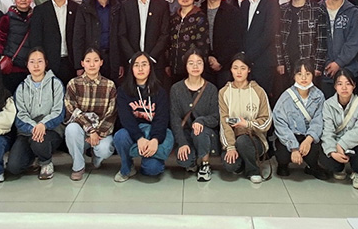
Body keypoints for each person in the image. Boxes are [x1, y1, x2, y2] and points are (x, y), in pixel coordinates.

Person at [114, 51, 174, 181]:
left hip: (153, 131)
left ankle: (148, 159)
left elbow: (162, 119)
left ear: (150, 68)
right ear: (131, 69)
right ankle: (127, 167)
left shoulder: (160, 91)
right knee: (120, 136)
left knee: (153, 169)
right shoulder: (123, 91)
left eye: (144, 64)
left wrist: (155, 140)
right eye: (136, 65)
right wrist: (139, 138)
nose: (140, 69)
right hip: (135, 132)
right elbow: (126, 119)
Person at [7, 47, 65, 180]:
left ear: (46, 63)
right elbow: (20, 115)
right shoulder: (21, 88)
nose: (36, 65)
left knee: (38, 142)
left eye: (40, 61)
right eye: (32, 62)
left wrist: (43, 125)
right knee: (14, 167)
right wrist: (34, 127)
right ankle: (33, 157)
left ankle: (46, 162)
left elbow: (59, 111)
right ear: (27, 65)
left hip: (50, 130)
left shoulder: (55, 84)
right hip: (27, 132)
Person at [64, 48, 117, 180]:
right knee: (71, 129)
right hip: (81, 129)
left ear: (101, 62)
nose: (92, 64)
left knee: (105, 149)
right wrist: (90, 130)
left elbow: (111, 114)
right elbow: (72, 111)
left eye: (95, 60)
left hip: (101, 132)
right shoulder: (74, 84)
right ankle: (78, 166)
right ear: (82, 63)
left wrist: (97, 133)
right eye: (88, 61)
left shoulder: (110, 85)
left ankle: (96, 159)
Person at [218, 53, 272, 183]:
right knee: (230, 165)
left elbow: (267, 121)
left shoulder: (259, 91)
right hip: (233, 139)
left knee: (243, 141)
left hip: (255, 139)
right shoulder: (224, 92)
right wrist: (230, 147)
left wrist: (247, 124)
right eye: (235, 68)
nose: (239, 72)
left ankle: (253, 171)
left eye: (243, 68)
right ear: (231, 70)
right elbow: (224, 123)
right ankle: (243, 161)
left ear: (249, 70)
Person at [169, 48, 219, 181]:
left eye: (199, 63)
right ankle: (192, 159)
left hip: (205, 133)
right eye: (191, 63)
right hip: (186, 133)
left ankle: (205, 164)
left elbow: (215, 117)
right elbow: (175, 119)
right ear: (185, 65)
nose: (195, 66)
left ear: (204, 64)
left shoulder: (211, 89)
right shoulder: (176, 89)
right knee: (184, 161)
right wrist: (182, 143)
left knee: (200, 131)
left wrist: (201, 121)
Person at [272, 59, 327, 179]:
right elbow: (280, 123)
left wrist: (308, 140)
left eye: (307, 74)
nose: (303, 78)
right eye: (299, 74)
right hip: (290, 135)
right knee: (282, 153)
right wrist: (294, 147)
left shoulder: (319, 96)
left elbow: (319, 121)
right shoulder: (286, 97)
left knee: (315, 151)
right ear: (294, 76)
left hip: (308, 136)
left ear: (313, 75)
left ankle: (312, 167)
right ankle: (283, 165)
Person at [276, 0, 327, 93]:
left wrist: (318, 66)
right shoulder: (282, 10)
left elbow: (322, 40)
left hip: (309, 65)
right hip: (288, 64)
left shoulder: (317, 10)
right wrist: (280, 62)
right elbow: (277, 38)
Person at [117, 0, 170, 82]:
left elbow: (165, 34)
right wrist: (133, 58)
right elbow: (122, 34)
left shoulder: (162, 5)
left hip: (156, 62)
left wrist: (151, 58)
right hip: (132, 62)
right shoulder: (125, 6)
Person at [321, 69, 358, 190]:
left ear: (354, 85)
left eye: (348, 84)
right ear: (335, 86)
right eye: (340, 84)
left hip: (354, 142)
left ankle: (357, 173)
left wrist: (342, 144)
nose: (344, 88)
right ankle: (339, 168)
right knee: (325, 156)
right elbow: (327, 131)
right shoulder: (328, 104)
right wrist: (333, 152)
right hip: (336, 142)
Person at [29, 0, 79, 84]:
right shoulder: (40, 10)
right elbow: (36, 39)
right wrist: (40, 62)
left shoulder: (76, 8)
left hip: (71, 62)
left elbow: (80, 37)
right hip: (49, 63)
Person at [73, 0, 121, 81]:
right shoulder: (85, 8)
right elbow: (78, 38)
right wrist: (79, 65)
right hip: (92, 58)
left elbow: (121, 36)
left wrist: (121, 62)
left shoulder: (118, 6)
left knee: (112, 87)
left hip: (112, 57)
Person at [240, 0, 279, 99]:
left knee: (261, 99)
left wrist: (249, 56)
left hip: (263, 62)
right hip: (244, 62)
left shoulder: (272, 4)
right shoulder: (244, 4)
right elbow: (241, 32)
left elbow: (269, 34)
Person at [321, 0, 358, 95]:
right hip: (324, 71)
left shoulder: (353, 12)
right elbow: (315, 40)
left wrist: (338, 63)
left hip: (348, 71)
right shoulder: (317, 10)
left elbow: (354, 42)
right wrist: (327, 63)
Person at [203, 0, 243, 88]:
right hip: (203, 65)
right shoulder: (199, 11)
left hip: (225, 65)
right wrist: (207, 57)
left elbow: (235, 39)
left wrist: (220, 61)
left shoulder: (232, 12)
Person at [0, 0, 34, 92]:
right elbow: (0, 39)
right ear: (14, 0)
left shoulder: (36, 17)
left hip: (30, 67)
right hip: (11, 66)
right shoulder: (6, 18)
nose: (23, 0)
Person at [167, 0, 208, 82]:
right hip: (173, 67)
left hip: (192, 68)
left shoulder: (200, 17)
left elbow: (203, 44)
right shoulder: (174, 18)